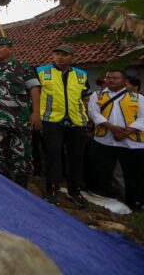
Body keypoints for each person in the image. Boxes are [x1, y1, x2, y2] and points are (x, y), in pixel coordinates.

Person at [0, 37, 41, 188]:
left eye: (1, 46)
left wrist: (36, 112)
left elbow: (34, 89)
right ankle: (3, 188)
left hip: (20, 121)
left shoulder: (23, 67)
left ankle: (21, 189)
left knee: (22, 155)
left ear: (10, 49)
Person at [88, 69, 144, 211]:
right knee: (102, 171)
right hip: (104, 140)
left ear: (124, 81)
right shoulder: (96, 96)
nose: (111, 80)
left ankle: (135, 202)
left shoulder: (137, 97)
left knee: (134, 174)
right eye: (109, 77)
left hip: (131, 142)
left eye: (115, 78)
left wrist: (128, 131)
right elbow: (94, 113)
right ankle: (106, 198)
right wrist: (113, 128)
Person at [37, 44, 90, 207]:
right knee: (53, 155)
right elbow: (35, 96)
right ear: (52, 56)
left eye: (65, 55)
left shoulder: (82, 75)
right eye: (57, 54)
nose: (60, 57)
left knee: (76, 157)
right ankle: (52, 191)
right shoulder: (41, 72)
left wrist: (88, 121)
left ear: (72, 58)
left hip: (77, 121)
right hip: (52, 121)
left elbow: (84, 98)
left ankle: (75, 191)